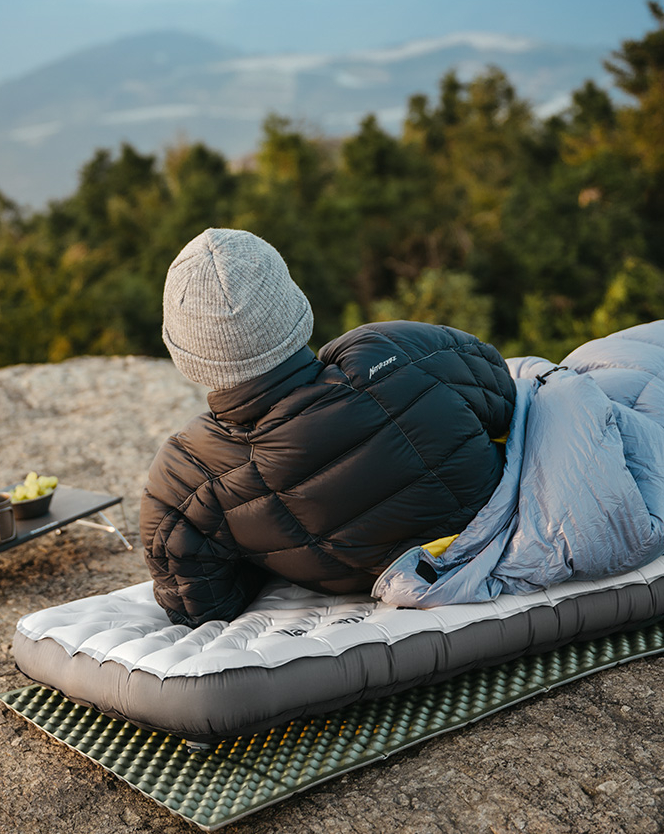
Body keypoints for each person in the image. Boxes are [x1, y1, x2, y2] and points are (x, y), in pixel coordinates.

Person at [140, 228, 516, 627]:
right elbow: (504, 400)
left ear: (186, 354)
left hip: (377, 585)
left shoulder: (183, 478)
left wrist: (265, 547)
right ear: (294, 305)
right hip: (497, 526)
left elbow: (201, 605)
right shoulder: (396, 347)